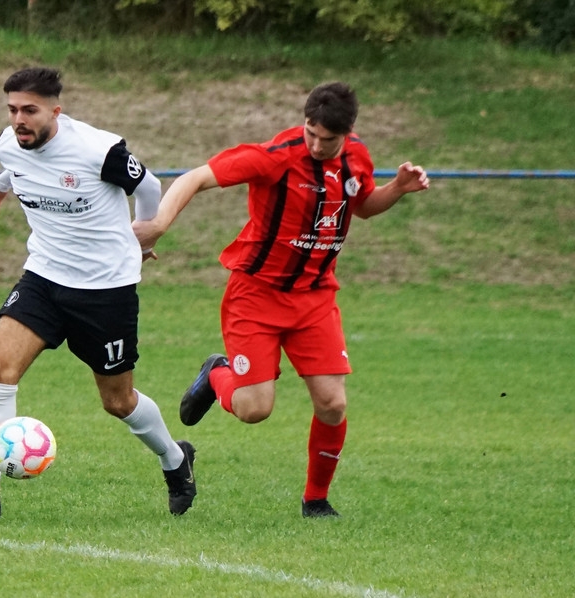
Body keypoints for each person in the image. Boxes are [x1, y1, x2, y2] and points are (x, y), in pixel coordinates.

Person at [133, 82, 429, 518]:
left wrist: (398, 189)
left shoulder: (357, 157)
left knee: (333, 403)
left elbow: (362, 205)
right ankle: (217, 374)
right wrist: (158, 225)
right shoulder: (274, 155)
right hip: (256, 295)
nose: (315, 144)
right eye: (310, 132)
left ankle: (316, 500)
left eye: (326, 139)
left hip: (315, 297)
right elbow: (196, 177)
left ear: (347, 132)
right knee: (255, 410)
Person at [0, 67, 196, 518]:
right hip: (43, 277)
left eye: (30, 111)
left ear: (55, 111)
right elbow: (16, 163)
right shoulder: (10, 141)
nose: (19, 119)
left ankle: (175, 459)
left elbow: (151, 186)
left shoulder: (98, 149)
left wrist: (146, 236)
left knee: (118, 401)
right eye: (12, 109)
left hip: (105, 290)